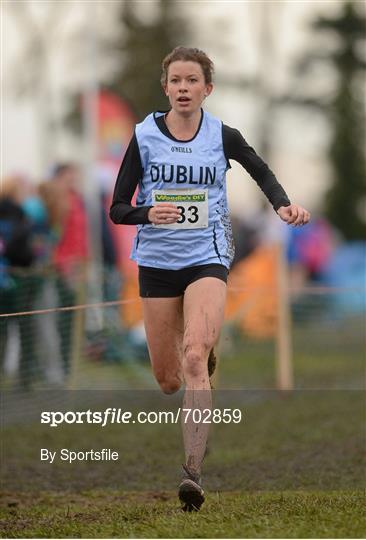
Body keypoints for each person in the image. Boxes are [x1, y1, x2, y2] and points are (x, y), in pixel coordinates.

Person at [109, 46, 310, 511]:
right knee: (168, 379)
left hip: (208, 256)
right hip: (157, 262)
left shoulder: (223, 135)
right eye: (175, 80)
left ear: (207, 89)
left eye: (192, 81)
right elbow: (118, 208)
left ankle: (192, 473)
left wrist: (283, 206)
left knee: (195, 356)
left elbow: (261, 171)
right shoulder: (143, 136)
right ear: (166, 87)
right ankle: (199, 355)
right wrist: (147, 211)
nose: (183, 88)